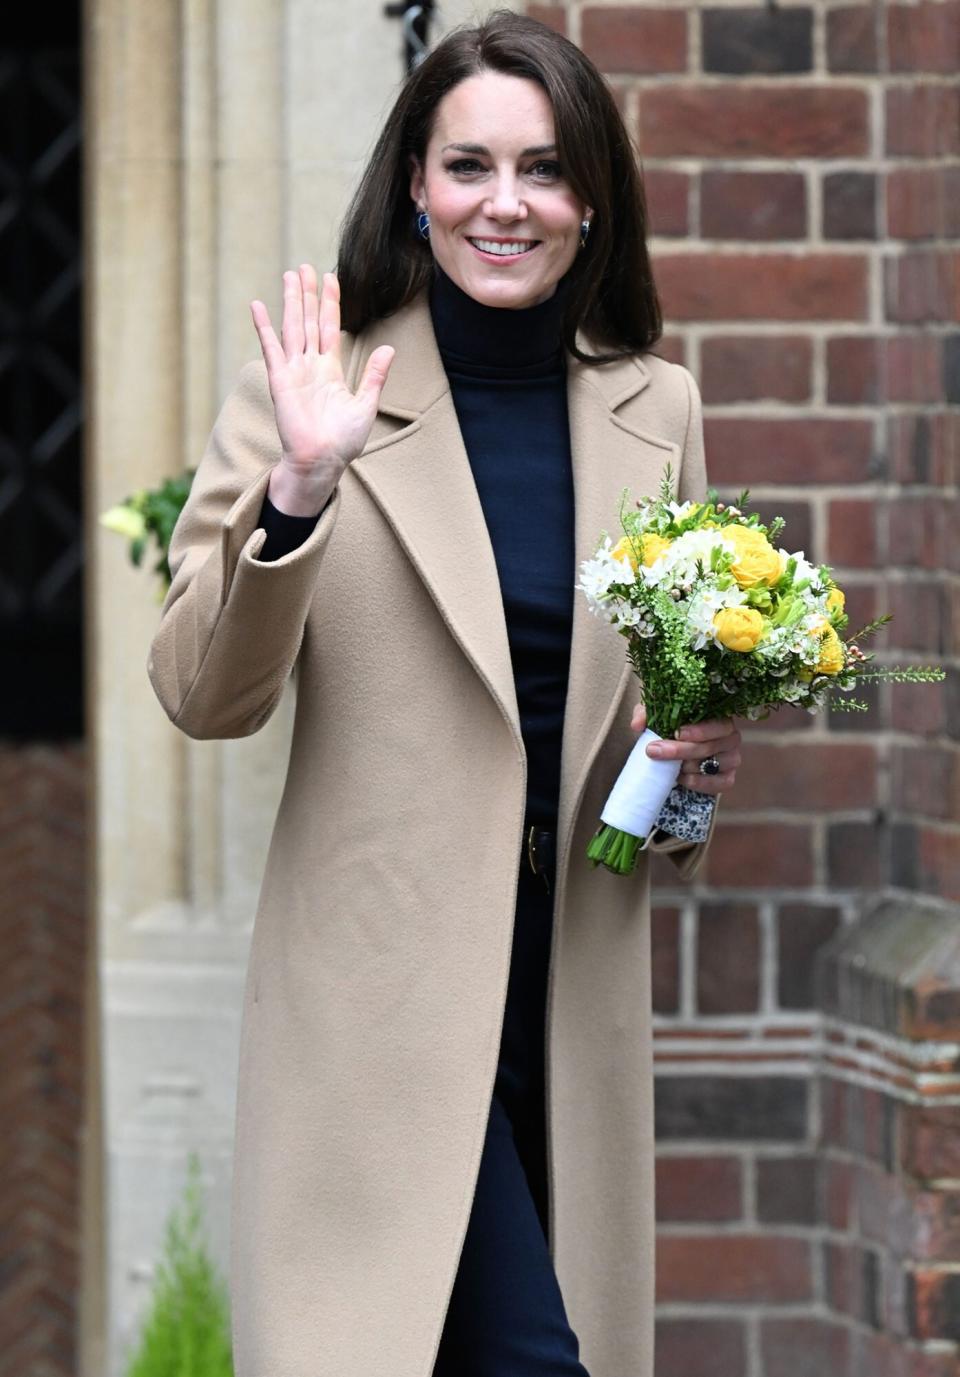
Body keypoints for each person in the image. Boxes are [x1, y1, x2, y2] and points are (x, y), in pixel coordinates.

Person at [146, 11, 742, 1377]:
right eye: (467, 166)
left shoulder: (659, 410)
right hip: (383, 1017)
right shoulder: (305, 399)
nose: (505, 204)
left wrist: (691, 759)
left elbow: (659, 800)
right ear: (414, 185)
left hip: (566, 992)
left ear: (592, 197)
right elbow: (199, 692)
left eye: (541, 169)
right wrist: (296, 495)